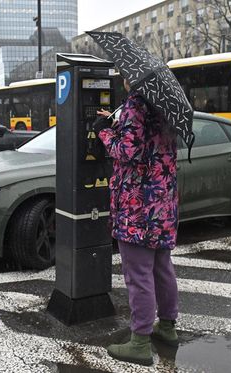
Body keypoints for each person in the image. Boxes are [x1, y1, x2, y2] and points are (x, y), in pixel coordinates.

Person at [93, 78, 180, 366]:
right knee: (162, 269)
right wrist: (117, 123)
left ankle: (140, 343)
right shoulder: (164, 108)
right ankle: (167, 328)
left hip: (137, 207)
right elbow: (147, 144)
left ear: (134, 77)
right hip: (162, 205)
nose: (124, 79)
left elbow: (128, 152)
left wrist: (105, 133)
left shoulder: (135, 105)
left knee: (138, 276)